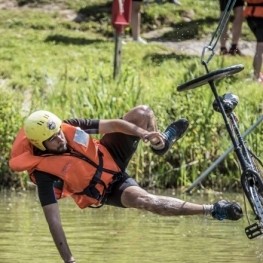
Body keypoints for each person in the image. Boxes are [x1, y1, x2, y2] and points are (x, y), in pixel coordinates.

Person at [9, 106, 243, 263]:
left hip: (109, 154)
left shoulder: (69, 127)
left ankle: (161, 144)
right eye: (52, 139)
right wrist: (69, 260)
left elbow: (112, 124)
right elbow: (54, 222)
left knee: (143, 112)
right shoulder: (44, 176)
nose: (60, 138)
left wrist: (144, 134)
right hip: (107, 188)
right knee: (149, 202)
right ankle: (214, 209)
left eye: (58, 133)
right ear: (39, 144)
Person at [244, 0, 263, 82]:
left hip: (250, 16)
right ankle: (256, 77)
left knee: (259, 45)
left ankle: (256, 73)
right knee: (260, 47)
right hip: (260, 16)